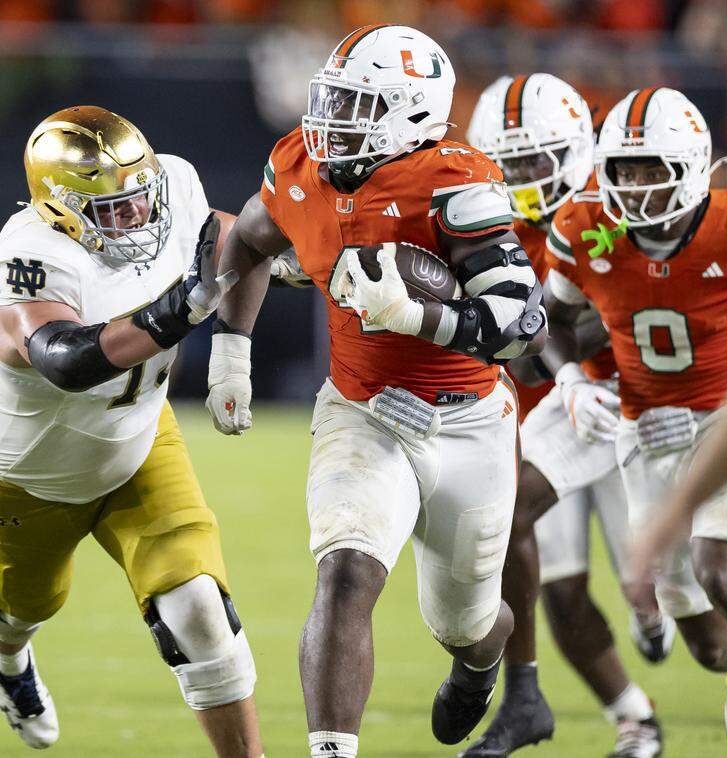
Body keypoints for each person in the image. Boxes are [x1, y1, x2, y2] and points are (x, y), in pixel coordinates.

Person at [206, 25, 547, 757]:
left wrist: (416, 314)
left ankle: (478, 664)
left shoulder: (455, 181)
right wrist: (231, 353)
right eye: (332, 98)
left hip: (469, 425)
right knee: (346, 571)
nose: (332, 120)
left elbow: (523, 328)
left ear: (414, 114)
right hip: (363, 411)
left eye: (357, 105)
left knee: (466, 622)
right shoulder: (300, 162)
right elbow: (248, 240)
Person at [0, 106, 262, 755]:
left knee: (200, 613)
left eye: (140, 197)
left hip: (140, 442)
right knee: (19, 613)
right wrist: (172, 315)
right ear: (62, 207)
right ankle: (7, 659)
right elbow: (66, 360)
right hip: (30, 474)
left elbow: (242, 241)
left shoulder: (174, 184)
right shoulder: (28, 253)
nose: (138, 218)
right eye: (114, 208)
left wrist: (234, 348)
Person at [541, 86, 727, 756]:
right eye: (622, 171)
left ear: (693, 166)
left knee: (721, 570)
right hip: (643, 432)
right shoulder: (587, 230)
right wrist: (570, 378)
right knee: (707, 639)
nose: (633, 190)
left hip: (724, 423)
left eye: (650, 171)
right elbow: (550, 322)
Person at [461, 73, 665, 758]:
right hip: (553, 418)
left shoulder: (619, 205)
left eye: (535, 159)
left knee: (691, 600)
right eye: (508, 161)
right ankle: (630, 714)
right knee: (561, 590)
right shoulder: (487, 223)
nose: (520, 177)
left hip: (632, 410)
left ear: (576, 150)